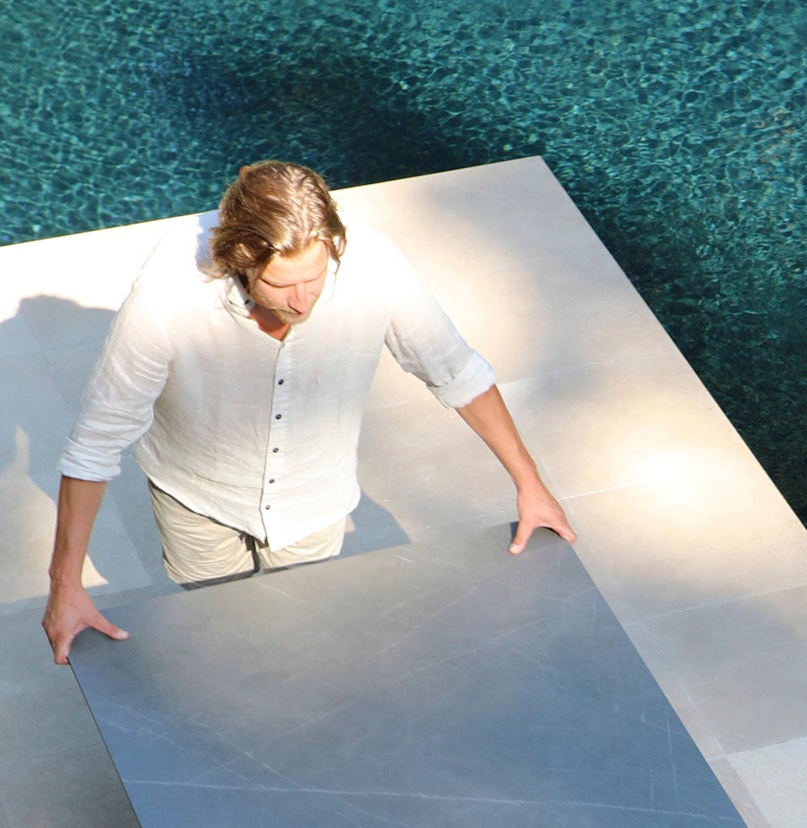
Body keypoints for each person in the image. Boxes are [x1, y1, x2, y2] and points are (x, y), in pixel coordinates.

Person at [43, 159, 574, 663]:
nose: (302, 301)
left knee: (305, 635)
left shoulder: (374, 264)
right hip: (195, 498)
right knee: (217, 632)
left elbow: (456, 372)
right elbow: (95, 443)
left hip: (315, 498)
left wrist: (530, 484)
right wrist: (65, 586)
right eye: (280, 283)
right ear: (239, 260)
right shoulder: (169, 290)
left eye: (314, 277)